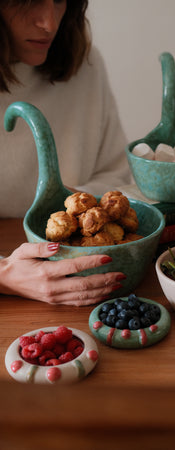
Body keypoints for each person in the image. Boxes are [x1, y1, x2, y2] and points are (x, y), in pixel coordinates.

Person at [0, 0, 131, 305]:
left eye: (60, 0)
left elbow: (117, 174)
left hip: (84, 280)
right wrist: (5, 273)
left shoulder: (87, 67)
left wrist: (79, 210)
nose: (49, 22)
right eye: (28, 0)